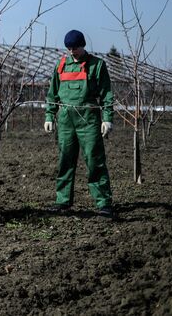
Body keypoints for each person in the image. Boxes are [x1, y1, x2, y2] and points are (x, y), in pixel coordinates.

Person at [44, 30, 116, 219]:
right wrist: (49, 116)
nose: (72, 51)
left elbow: (106, 94)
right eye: (68, 48)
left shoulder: (97, 65)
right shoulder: (61, 65)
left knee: (94, 161)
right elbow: (53, 93)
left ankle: (103, 203)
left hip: (88, 119)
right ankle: (63, 201)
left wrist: (107, 118)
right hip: (66, 120)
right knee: (65, 161)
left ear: (83, 45)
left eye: (75, 47)